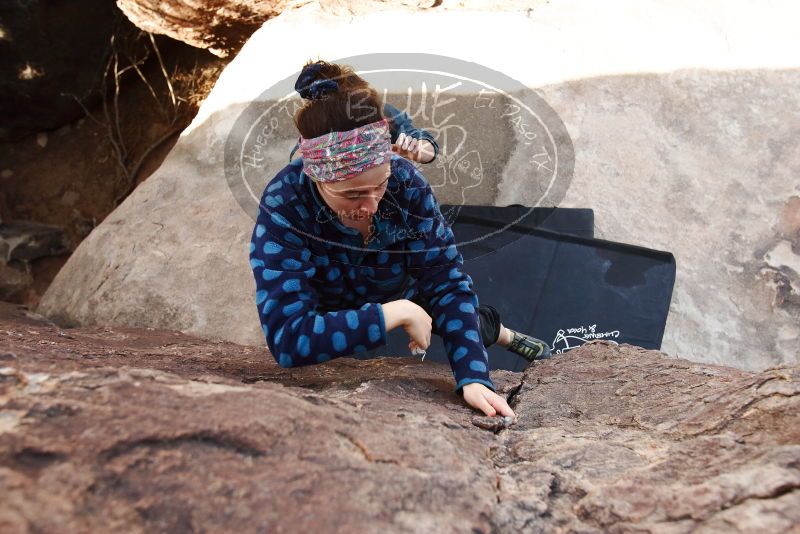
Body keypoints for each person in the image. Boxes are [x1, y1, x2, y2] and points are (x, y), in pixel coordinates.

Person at [249, 60, 551, 421]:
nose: (371, 206)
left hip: (400, 281)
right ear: (317, 178)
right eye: (352, 194)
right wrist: (391, 314)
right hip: (332, 301)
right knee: (412, 319)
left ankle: (505, 335)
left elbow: (446, 282)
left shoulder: (406, 182)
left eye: (380, 185)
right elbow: (288, 339)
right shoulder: (284, 203)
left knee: (459, 316)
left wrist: (473, 376)